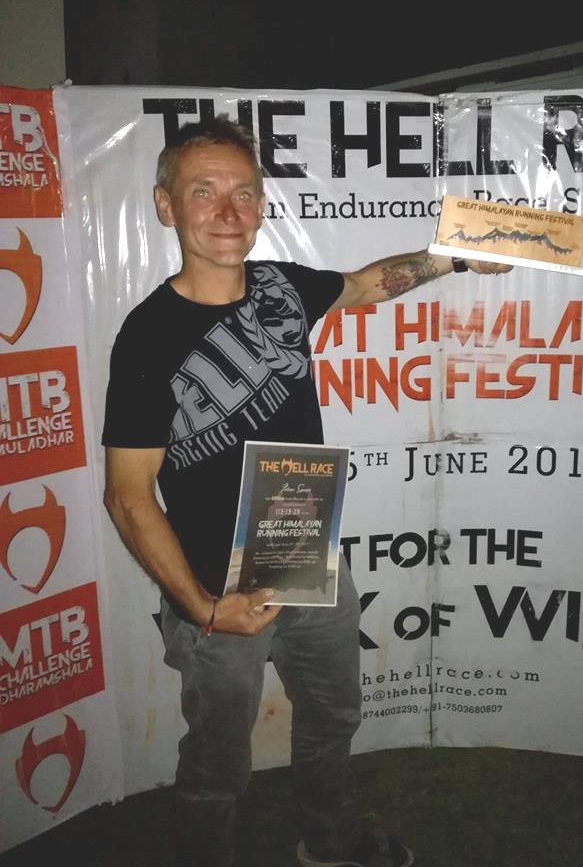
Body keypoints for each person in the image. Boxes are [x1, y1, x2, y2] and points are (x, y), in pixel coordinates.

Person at [102, 116, 510, 867]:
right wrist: (203, 607)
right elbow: (128, 496)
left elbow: (364, 286)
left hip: (302, 550)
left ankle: (333, 840)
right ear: (167, 205)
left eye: (243, 193)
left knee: (332, 716)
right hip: (214, 582)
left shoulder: (282, 289)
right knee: (218, 764)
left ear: (262, 205)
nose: (228, 211)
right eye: (203, 191)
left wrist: (455, 257)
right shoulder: (146, 337)